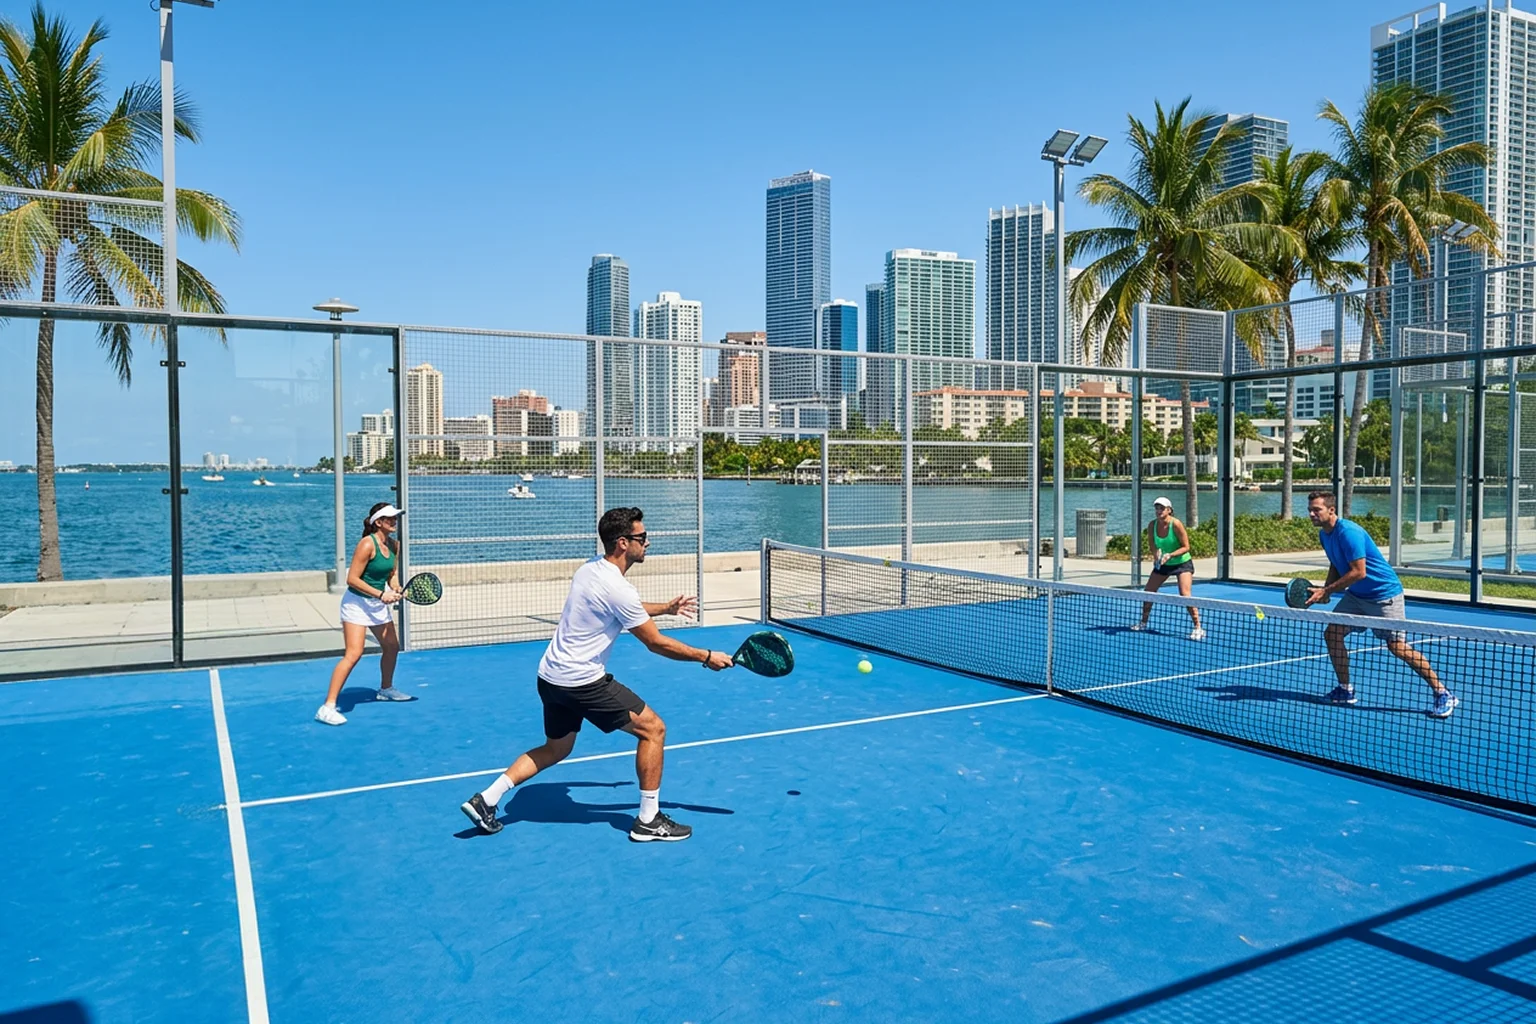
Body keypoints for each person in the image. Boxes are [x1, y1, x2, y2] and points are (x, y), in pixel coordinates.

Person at [460, 507, 733, 842]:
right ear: (622, 543)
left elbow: (624, 606)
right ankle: (648, 821)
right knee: (653, 730)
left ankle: (486, 799)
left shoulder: (591, 568)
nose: (648, 542)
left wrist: (666, 608)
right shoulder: (618, 588)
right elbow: (655, 643)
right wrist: (706, 656)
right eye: (642, 537)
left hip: (550, 676)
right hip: (582, 681)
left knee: (557, 748)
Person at [1305, 490, 1457, 718]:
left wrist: (1327, 590)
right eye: (1310, 510)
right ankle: (1345, 690)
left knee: (1397, 648)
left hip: (1384, 595)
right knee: (1332, 633)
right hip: (1356, 597)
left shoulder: (1349, 533)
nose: (1312, 514)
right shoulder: (1325, 535)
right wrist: (1327, 591)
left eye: (1316, 509)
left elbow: (1359, 572)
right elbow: (1336, 564)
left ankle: (1443, 693)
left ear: (1331, 510)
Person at [314, 502, 409, 725]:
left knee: (392, 647)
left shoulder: (395, 545)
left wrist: (394, 587)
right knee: (354, 654)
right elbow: (352, 579)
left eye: (395, 517)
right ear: (378, 522)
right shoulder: (367, 544)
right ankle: (327, 707)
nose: (394, 521)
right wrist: (380, 594)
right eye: (389, 518)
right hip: (356, 604)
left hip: (376, 604)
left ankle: (386, 689)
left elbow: (391, 574)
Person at [1132, 496, 1205, 640]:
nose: (1158, 511)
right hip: (1163, 564)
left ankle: (1198, 627)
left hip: (1182, 563)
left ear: (1169, 510)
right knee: (1148, 592)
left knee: (1185, 595)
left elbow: (1186, 547)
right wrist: (1156, 555)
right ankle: (1143, 622)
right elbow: (1153, 545)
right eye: (1157, 508)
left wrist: (1170, 555)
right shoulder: (1152, 525)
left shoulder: (1176, 524)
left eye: (1162, 508)